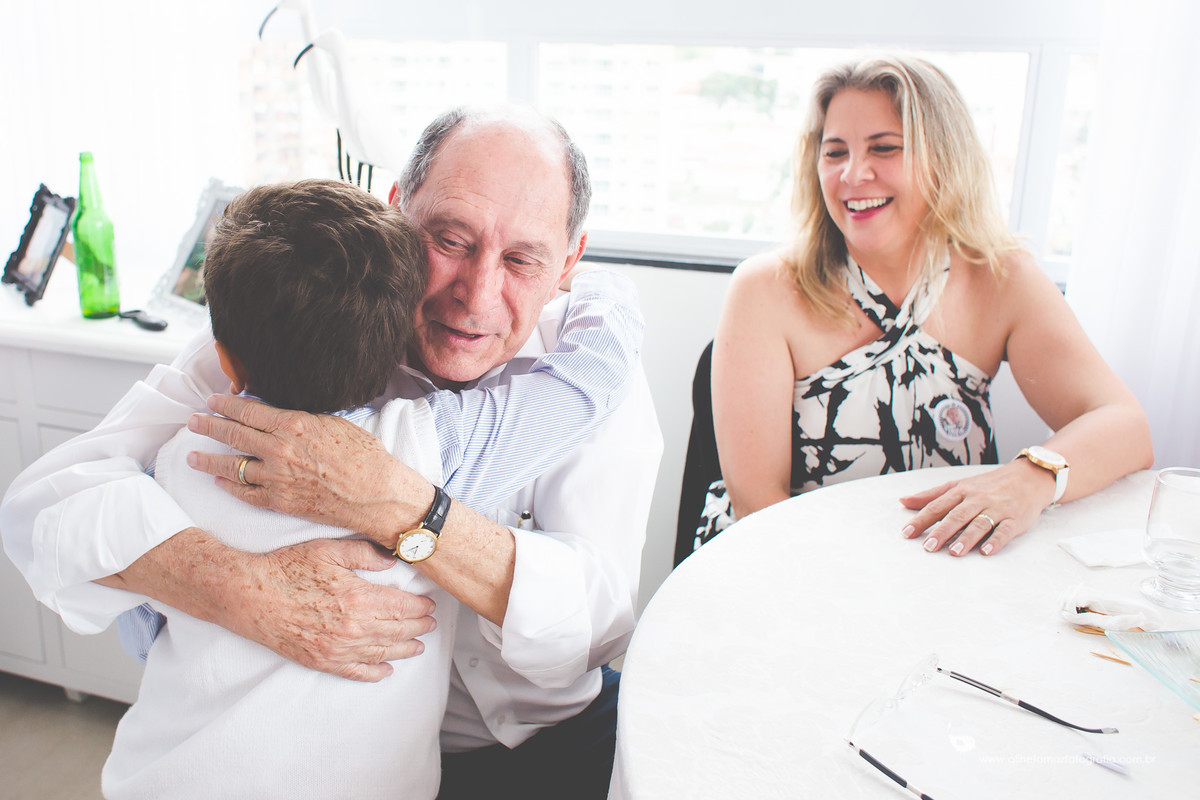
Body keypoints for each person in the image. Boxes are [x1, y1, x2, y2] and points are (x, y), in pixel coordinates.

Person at [1, 106, 664, 799]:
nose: (477, 295)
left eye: (523, 260)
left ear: (570, 263)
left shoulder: (577, 377)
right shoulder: (290, 321)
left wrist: (408, 511)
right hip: (325, 761)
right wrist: (245, 587)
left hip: (536, 743)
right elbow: (44, 508)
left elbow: (596, 627)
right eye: (451, 240)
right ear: (399, 211)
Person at [697, 55, 1151, 557]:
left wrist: (1030, 478)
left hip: (941, 570)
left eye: (885, 148)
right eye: (834, 152)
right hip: (790, 562)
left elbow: (1126, 425)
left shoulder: (1001, 278)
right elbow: (758, 504)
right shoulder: (764, 289)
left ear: (944, 158)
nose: (853, 174)